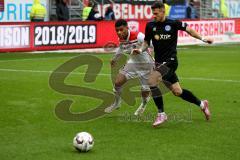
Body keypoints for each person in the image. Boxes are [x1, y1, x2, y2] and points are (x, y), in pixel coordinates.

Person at [132, 2, 213, 127]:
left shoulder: (173, 23)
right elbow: (147, 42)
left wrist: (203, 39)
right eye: (152, 13)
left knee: (152, 81)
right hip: (159, 63)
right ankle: (202, 104)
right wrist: (140, 50)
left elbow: (189, 30)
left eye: (156, 13)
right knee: (177, 91)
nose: (154, 16)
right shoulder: (150, 25)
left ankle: (161, 114)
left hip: (171, 61)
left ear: (163, 11)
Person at [104, 19, 154, 116]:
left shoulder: (138, 36)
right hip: (133, 64)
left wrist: (141, 49)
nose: (119, 32)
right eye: (117, 30)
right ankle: (117, 103)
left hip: (146, 65)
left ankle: (143, 105)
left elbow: (151, 44)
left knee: (144, 91)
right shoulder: (121, 39)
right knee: (118, 82)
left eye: (121, 30)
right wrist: (114, 58)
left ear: (127, 28)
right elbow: (121, 48)